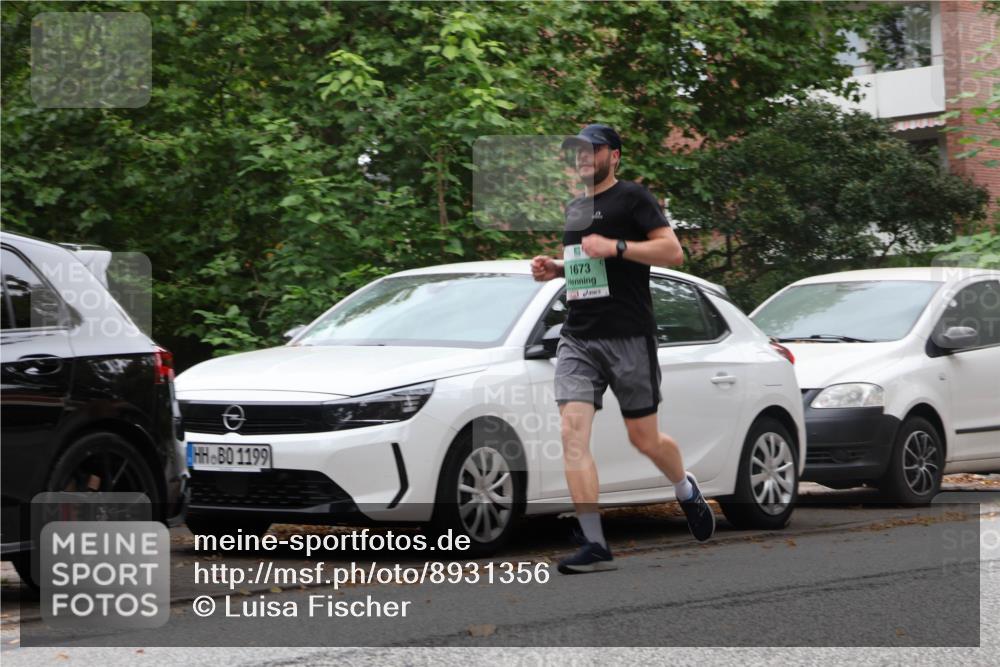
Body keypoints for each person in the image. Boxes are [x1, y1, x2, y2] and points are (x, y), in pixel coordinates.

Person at [531, 123, 716, 574]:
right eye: (577, 151)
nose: (582, 158)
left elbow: (672, 252)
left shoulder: (634, 198)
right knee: (571, 433)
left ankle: (684, 487)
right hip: (579, 336)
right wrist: (556, 267)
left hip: (629, 335)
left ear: (613, 156)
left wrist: (615, 246)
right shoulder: (575, 207)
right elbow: (586, 267)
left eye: (591, 150)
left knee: (643, 438)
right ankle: (594, 542)